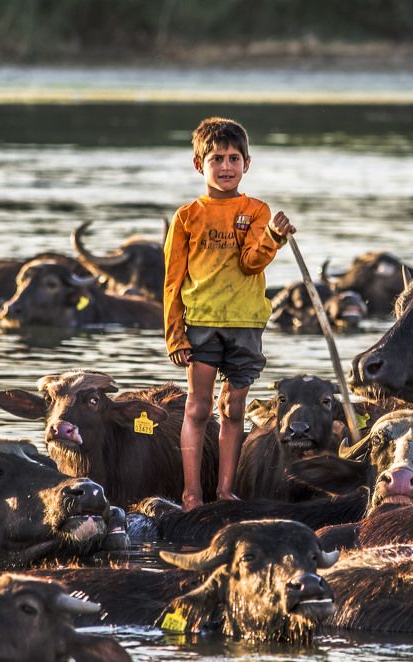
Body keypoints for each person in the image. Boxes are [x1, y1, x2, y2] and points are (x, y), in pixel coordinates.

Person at [163, 117, 296, 511]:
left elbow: (253, 263)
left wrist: (273, 236)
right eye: (216, 158)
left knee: (233, 408)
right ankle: (191, 494)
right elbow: (172, 279)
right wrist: (175, 334)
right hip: (201, 323)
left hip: (245, 324)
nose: (225, 166)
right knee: (198, 407)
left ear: (247, 163)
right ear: (198, 164)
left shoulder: (257, 211)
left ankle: (225, 491)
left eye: (233, 158)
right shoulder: (187, 216)